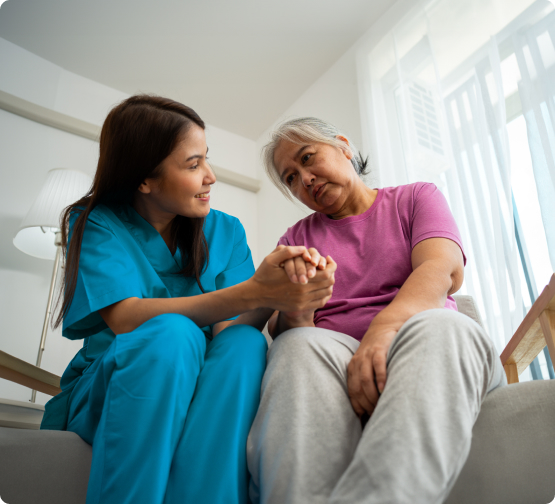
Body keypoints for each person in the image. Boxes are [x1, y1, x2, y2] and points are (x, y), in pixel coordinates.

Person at [40, 97, 336, 504]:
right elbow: (126, 318)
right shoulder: (94, 222)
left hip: (204, 380)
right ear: (144, 179)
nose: (211, 177)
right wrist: (254, 292)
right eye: (193, 165)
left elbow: (230, 328)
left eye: (206, 160)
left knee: (245, 342)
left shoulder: (226, 231)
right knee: (171, 334)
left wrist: (281, 293)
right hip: (119, 382)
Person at [246, 117, 506, 504]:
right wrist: (300, 307)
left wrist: (383, 330)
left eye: (308, 158)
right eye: (291, 178)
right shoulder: (296, 239)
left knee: (442, 326)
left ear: (345, 146)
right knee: (296, 347)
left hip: (427, 343)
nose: (306, 179)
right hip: (336, 361)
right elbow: (284, 326)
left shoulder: (415, 197)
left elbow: (442, 268)